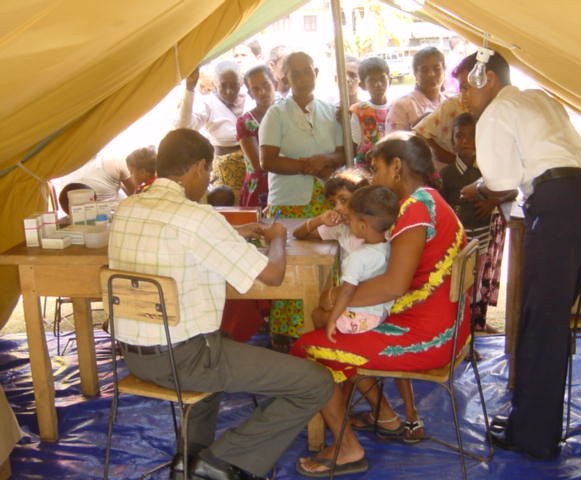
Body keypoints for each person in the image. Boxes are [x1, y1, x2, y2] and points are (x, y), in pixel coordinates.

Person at [108, 128, 334, 480]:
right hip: (186, 360)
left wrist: (233, 235)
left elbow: (184, 239)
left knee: (221, 347)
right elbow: (273, 275)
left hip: (134, 356)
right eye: (208, 172)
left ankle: (188, 460)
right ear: (198, 167)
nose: (208, 180)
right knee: (316, 383)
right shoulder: (198, 218)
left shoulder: (126, 209)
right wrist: (277, 238)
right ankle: (223, 460)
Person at [458, 50, 581, 460]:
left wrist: (478, 189)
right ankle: (530, 419)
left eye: (463, 87)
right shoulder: (538, 96)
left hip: (559, 206)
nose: (462, 99)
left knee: (542, 324)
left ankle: (536, 436)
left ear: (485, 77)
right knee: (544, 319)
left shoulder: (493, 113)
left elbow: (502, 182)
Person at [292, 132, 470, 476]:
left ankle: (347, 449)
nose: (373, 179)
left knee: (309, 347)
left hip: (428, 337)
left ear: (397, 166)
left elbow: (392, 285)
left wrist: (334, 300)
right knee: (334, 325)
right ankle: (385, 417)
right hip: (444, 326)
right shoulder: (429, 200)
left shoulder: (415, 209)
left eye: (376, 169)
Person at [259, 51, 345, 350]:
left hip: (323, 202)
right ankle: (286, 336)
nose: (303, 78)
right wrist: (308, 165)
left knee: (326, 265)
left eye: (307, 71)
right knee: (290, 267)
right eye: (295, 74)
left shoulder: (329, 111)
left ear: (316, 72)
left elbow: (342, 152)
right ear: (286, 79)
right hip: (289, 203)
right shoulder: (277, 113)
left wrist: (326, 159)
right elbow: (267, 159)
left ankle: (322, 328)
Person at [440, 113, 514, 330]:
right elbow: (441, 206)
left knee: (478, 280)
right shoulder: (447, 174)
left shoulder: (489, 170)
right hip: (459, 240)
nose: (466, 141)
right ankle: (458, 325)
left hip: (483, 237)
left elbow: (510, 190)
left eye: (472, 136)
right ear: (453, 142)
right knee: (459, 282)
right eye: (460, 136)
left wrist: (492, 201)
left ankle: (477, 322)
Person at [314, 185, 398, 339]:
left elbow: (346, 292)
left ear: (362, 226)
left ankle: (325, 340)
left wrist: (332, 319)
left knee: (317, 314)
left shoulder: (357, 257)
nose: (348, 222)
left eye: (351, 219)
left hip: (361, 318)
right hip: (381, 313)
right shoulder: (389, 246)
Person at [175, 60, 246, 204]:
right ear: (214, 84)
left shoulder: (251, 99)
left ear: (242, 82)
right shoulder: (208, 103)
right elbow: (184, 127)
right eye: (223, 86)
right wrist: (189, 89)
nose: (229, 91)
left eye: (234, 85)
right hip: (226, 177)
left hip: (252, 173)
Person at [236, 65, 276, 207]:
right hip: (260, 188)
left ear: (275, 84)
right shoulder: (246, 122)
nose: (263, 92)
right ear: (250, 94)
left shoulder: (290, 112)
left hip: (287, 183)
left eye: (266, 85)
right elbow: (258, 164)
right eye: (256, 89)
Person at [385, 47, 447, 133]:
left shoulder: (449, 103)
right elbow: (394, 143)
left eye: (436, 69)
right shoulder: (402, 106)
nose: (431, 74)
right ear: (415, 73)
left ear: (444, 69)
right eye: (424, 70)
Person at [349, 57, 391, 171]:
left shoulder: (396, 108)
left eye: (382, 79)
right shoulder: (359, 110)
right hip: (367, 167)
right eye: (372, 80)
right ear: (362, 85)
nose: (378, 84)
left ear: (390, 80)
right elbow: (356, 142)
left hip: (391, 166)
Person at [67, 152, 136, 202]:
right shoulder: (115, 161)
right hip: (113, 214)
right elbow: (135, 193)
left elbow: (134, 192)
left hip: (80, 215)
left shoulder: (65, 167)